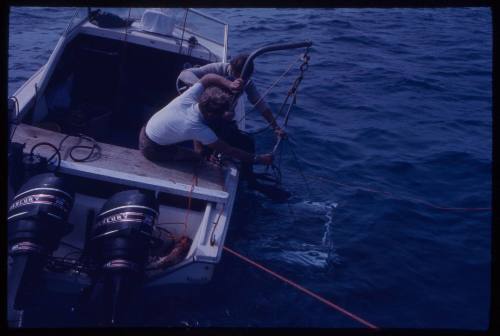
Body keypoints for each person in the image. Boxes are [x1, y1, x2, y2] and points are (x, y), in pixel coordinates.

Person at [139, 73, 273, 174]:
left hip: (144, 130)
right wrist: (258, 159)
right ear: (211, 115)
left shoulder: (188, 97)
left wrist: (229, 84)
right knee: (198, 158)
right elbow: (228, 149)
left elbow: (208, 78)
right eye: (222, 113)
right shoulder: (198, 128)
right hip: (152, 149)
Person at [177, 54, 286, 139]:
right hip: (200, 111)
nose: (238, 81)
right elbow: (184, 74)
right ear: (231, 68)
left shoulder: (247, 83)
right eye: (235, 76)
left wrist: (275, 126)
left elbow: (260, 104)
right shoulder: (219, 68)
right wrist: (209, 92)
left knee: (246, 142)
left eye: (242, 78)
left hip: (222, 117)